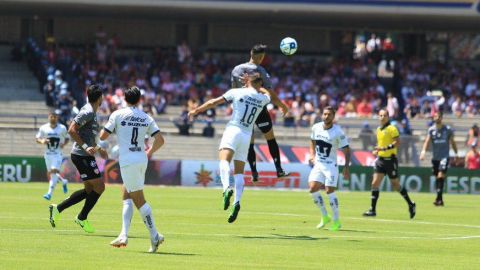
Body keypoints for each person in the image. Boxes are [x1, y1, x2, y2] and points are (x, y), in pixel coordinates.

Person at [189, 72, 270, 223]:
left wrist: (197, 110)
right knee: (239, 172)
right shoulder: (263, 98)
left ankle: (226, 189)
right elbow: (268, 94)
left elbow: (213, 102)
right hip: (247, 135)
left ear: (247, 81)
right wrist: (257, 86)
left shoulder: (236, 92)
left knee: (224, 161)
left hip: (233, 130)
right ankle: (237, 202)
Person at [99, 86, 165, 253]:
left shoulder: (117, 114)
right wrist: (149, 151)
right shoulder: (146, 117)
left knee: (138, 200)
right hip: (141, 159)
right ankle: (123, 234)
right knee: (126, 193)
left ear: (125, 99)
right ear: (139, 100)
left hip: (128, 161)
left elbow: (103, 136)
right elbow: (160, 140)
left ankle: (155, 236)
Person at [49, 84, 109, 233]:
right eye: (102, 96)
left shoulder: (92, 112)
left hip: (85, 155)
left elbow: (88, 136)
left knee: (89, 190)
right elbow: (71, 129)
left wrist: (99, 148)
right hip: (81, 155)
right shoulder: (88, 111)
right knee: (100, 187)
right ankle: (82, 217)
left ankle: (57, 209)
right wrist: (85, 146)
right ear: (99, 97)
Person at [231, 44, 290, 182]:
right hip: (259, 109)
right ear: (262, 57)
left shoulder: (236, 70)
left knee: (249, 142)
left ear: (250, 53)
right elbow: (269, 93)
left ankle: (254, 173)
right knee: (270, 139)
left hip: (244, 111)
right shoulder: (261, 71)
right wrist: (282, 106)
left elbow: (233, 91)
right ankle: (279, 169)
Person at [363, 109, 416, 219]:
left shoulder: (392, 128)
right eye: (380, 115)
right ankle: (372, 210)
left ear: (388, 117)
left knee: (396, 185)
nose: (382, 117)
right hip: (381, 160)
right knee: (374, 184)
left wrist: (384, 148)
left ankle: (411, 204)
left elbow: (397, 142)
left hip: (390, 161)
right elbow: (381, 143)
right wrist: (378, 151)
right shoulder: (378, 129)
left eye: (384, 115)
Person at [308, 107, 350, 231]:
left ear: (333, 117)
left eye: (329, 115)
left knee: (329, 191)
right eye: (324, 114)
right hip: (319, 164)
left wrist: (346, 168)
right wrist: (312, 155)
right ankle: (325, 216)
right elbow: (312, 141)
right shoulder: (316, 127)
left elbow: (347, 151)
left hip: (331, 166)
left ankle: (336, 221)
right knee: (312, 188)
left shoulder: (338, 132)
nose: (326, 116)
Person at [419, 112, 458, 206]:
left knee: (440, 175)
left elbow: (452, 142)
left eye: (438, 116)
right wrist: (423, 151)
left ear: (441, 118)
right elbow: (427, 141)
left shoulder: (448, 129)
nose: (436, 118)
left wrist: (456, 153)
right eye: (435, 116)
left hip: (444, 157)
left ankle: (438, 199)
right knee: (438, 178)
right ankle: (439, 199)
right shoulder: (431, 130)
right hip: (435, 158)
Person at [36, 110, 70, 200]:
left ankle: (49, 193)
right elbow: (37, 138)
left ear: (57, 118)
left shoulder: (62, 128)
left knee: (53, 170)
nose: (53, 118)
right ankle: (63, 181)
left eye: (55, 117)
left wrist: (64, 144)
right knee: (52, 173)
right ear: (49, 117)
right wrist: (42, 141)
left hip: (57, 154)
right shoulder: (44, 128)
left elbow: (67, 138)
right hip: (47, 154)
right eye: (51, 116)